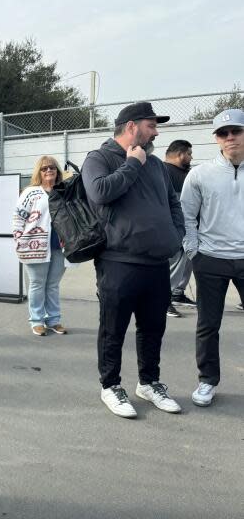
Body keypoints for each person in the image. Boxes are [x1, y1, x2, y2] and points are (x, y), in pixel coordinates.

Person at [82, 101, 184, 419]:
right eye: (151, 125)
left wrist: (175, 234)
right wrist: (132, 164)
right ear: (131, 127)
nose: (156, 131)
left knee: (153, 328)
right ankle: (110, 385)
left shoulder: (155, 165)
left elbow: (172, 203)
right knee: (113, 329)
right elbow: (99, 193)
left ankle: (149, 382)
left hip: (156, 263)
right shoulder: (98, 158)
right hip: (118, 262)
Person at [180, 108, 244, 407]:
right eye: (223, 133)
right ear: (216, 139)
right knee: (208, 325)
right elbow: (186, 217)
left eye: (236, 131)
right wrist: (194, 251)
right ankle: (207, 381)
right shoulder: (200, 174)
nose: (230, 137)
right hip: (211, 260)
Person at [12, 156, 69, 336]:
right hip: (35, 244)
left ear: (57, 171)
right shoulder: (30, 192)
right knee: (37, 284)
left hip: (60, 245)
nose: (49, 171)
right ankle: (36, 320)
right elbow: (18, 217)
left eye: (52, 168)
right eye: (44, 168)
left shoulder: (64, 190)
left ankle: (54, 320)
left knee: (53, 284)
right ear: (39, 172)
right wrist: (19, 239)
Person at [163, 140, 195, 318]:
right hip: (173, 228)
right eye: (189, 154)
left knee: (188, 259)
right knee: (176, 261)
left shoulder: (185, 173)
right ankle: (163, 300)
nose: (191, 157)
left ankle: (177, 293)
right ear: (180, 154)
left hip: (189, 227)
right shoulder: (164, 171)